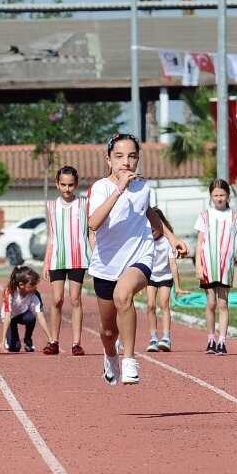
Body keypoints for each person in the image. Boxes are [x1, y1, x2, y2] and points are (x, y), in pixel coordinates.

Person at [87, 133, 186, 387]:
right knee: (108, 331)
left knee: (124, 295)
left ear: (138, 159)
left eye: (132, 156)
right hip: (106, 264)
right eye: (119, 156)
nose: (126, 162)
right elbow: (94, 223)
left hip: (140, 255)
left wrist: (171, 238)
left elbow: (149, 212)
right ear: (108, 160)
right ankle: (111, 355)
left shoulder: (143, 187)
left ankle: (130, 358)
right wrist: (119, 189)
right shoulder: (100, 188)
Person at [195, 178, 237, 355]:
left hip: (226, 267)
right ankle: (211, 338)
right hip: (208, 266)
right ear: (211, 196)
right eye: (215, 195)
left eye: (222, 195)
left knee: (223, 304)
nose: (219, 198)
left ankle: (222, 340)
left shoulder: (235, 217)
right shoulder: (204, 215)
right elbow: (200, 241)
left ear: (228, 196)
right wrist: (198, 265)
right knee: (211, 303)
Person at [41, 164, 89, 356]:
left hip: (78, 257)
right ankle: (53, 341)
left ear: (76, 184)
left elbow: (90, 230)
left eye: (70, 185)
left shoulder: (84, 204)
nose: (67, 189)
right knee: (57, 299)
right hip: (57, 258)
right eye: (63, 185)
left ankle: (76, 343)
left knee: (75, 299)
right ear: (57, 184)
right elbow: (51, 236)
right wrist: (46, 262)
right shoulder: (51, 206)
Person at [145, 207, 179, 353]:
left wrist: (177, 286)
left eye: (155, 226)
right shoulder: (145, 240)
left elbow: (173, 264)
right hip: (150, 276)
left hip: (165, 276)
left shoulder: (167, 241)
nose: (152, 229)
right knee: (150, 305)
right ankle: (153, 337)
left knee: (164, 303)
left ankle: (166, 337)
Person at [0, 264, 45, 353]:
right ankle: (8, 340)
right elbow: (7, 316)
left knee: (31, 317)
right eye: (32, 284)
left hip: (22, 314)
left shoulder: (34, 293)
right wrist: (2, 342)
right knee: (14, 348)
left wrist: (52, 340)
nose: (35, 287)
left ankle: (28, 339)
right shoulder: (10, 292)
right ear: (21, 285)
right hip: (9, 317)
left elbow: (41, 316)